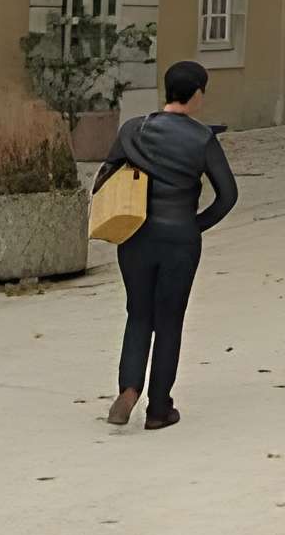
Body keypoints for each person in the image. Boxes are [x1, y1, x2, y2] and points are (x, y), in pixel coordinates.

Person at [92, 58, 238, 430]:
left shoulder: (132, 130)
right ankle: (159, 409)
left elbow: (106, 176)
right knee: (169, 320)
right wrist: (196, 225)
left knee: (138, 313)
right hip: (180, 241)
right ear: (198, 94)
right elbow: (228, 196)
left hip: (135, 236)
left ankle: (128, 390)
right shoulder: (202, 138)